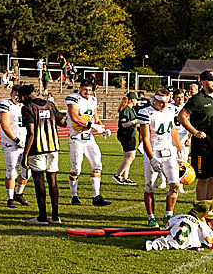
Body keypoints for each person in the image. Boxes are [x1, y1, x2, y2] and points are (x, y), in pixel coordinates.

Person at [137, 87, 185, 227]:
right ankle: (151, 217)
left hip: (168, 151)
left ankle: (168, 215)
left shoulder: (170, 110)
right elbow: (145, 138)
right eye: (161, 102)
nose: (164, 105)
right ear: (155, 100)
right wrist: (151, 158)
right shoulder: (146, 112)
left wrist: (179, 149)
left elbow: (173, 131)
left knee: (175, 184)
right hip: (154, 152)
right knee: (150, 187)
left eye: (166, 102)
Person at [19, 84, 66, 225]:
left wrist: (25, 155)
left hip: (37, 150)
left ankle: (42, 217)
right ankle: (56, 216)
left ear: (23, 96)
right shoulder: (50, 104)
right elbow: (63, 122)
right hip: (53, 148)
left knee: (39, 182)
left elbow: (31, 133)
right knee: (53, 182)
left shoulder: (27, 108)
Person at [176, 70, 213, 202]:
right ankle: (200, 209)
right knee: (203, 178)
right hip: (202, 146)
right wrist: (195, 132)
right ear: (202, 82)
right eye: (211, 80)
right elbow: (181, 116)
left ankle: (208, 206)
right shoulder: (197, 99)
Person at [66, 78, 112, 207]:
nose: (87, 92)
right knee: (76, 169)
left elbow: (95, 117)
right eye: (85, 89)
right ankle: (74, 196)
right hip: (76, 138)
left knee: (97, 165)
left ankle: (96, 196)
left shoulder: (92, 100)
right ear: (80, 88)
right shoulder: (73, 98)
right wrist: (93, 126)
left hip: (89, 138)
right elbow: (75, 117)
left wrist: (102, 128)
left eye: (90, 90)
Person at [0, 86, 31, 207]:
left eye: (19, 95)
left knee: (27, 171)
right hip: (11, 143)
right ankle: (10, 198)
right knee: (12, 171)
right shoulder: (5, 104)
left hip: (26, 143)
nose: (17, 97)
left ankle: (19, 194)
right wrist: (16, 140)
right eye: (15, 94)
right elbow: (5, 125)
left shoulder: (26, 105)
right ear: (11, 93)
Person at [112, 92, 139, 185]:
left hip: (129, 134)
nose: (137, 101)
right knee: (131, 156)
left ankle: (125, 177)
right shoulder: (126, 110)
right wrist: (135, 121)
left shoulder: (131, 109)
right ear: (132, 100)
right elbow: (124, 124)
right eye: (135, 99)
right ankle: (117, 175)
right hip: (126, 134)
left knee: (127, 157)